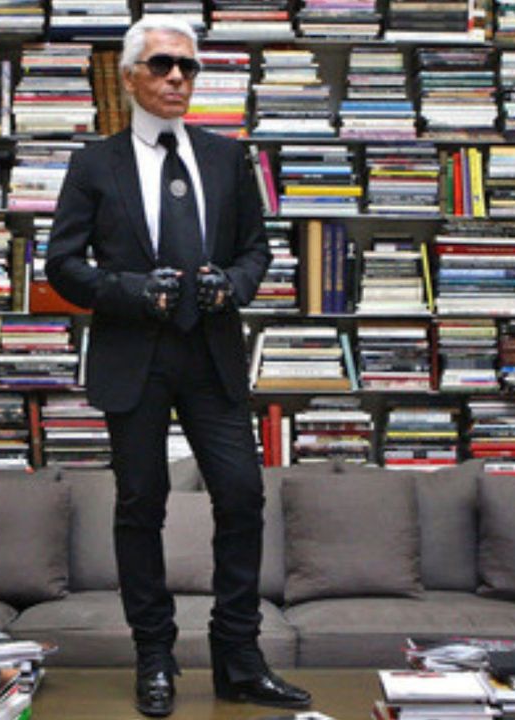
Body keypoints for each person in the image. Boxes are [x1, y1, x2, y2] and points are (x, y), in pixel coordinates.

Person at [45, 16, 310, 718]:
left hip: (211, 353)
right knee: (141, 506)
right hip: (135, 354)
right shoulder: (95, 163)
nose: (176, 79)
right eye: (162, 65)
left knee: (242, 497)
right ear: (131, 76)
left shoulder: (227, 158)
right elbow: (62, 266)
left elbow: (259, 250)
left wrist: (235, 281)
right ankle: (155, 659)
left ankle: (239, 660)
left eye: (188, 68)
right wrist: (131, 290)